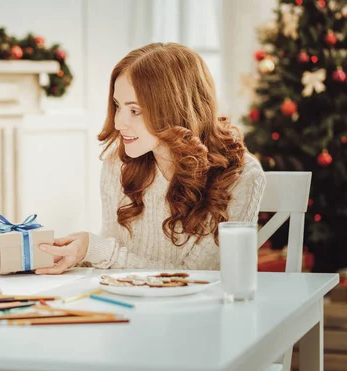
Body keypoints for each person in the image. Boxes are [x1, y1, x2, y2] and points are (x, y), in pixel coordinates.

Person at [36, 43, 266, 274]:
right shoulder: (117, 163)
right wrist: (78, 253)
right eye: (118, 106)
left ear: (175, 108)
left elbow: (200, 276)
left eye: (135, 111)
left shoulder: (241, 174)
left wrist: (97, 250)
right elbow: (110, 259)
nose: (118, 123)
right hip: (126, 306)